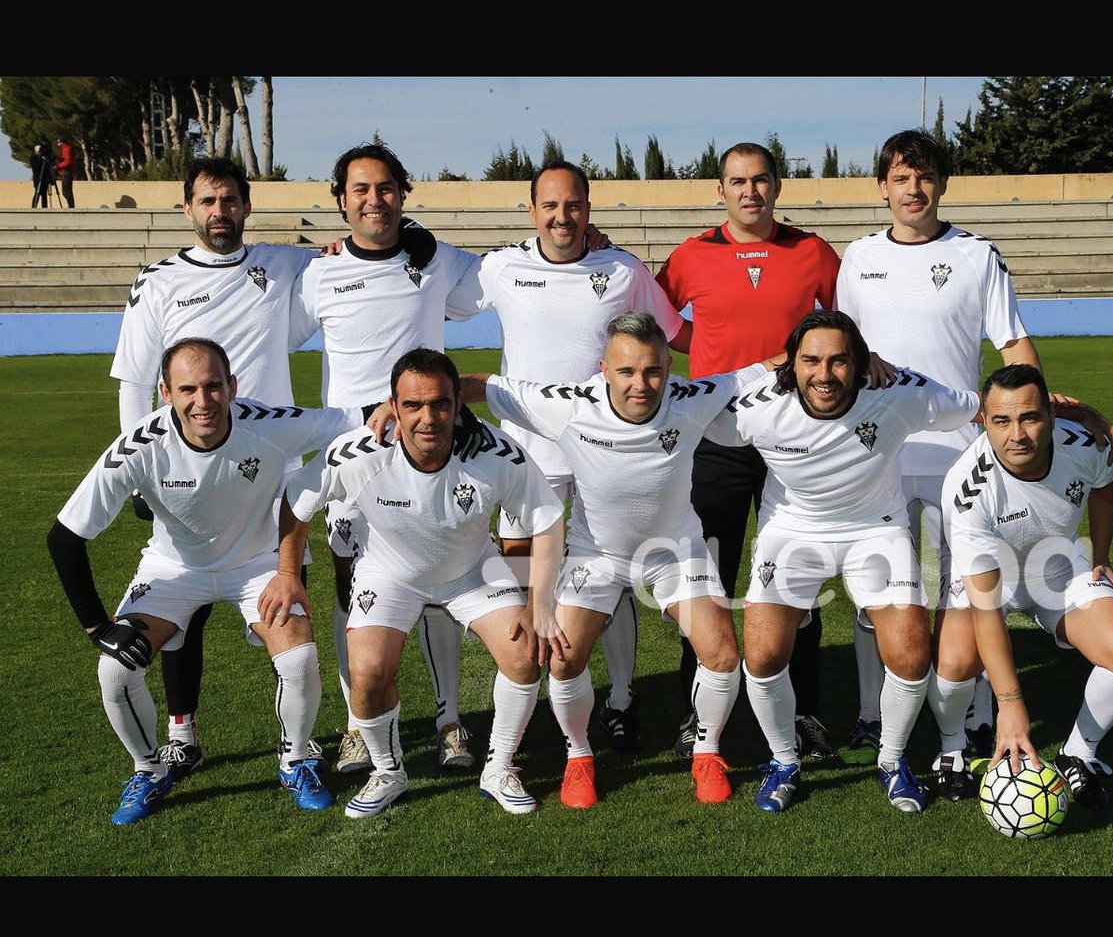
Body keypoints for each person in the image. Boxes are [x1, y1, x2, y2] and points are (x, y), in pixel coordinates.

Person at [837, 129, 1113, 790]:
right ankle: (871, 714)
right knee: (876, 595)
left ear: (942, 184)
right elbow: (841, 347)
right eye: (901, 178)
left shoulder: (974, 255)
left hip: (959, 458)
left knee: (959, 596)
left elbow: (1012, 339)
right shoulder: (857, 257)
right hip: (875, 458)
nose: (913, 188)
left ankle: (979, 717)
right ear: (883, 187)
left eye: (925, 176)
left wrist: (1040, 404)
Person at [46, 339, 364, 824]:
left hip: (258, 566)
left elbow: (356, 416)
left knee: (299, 656)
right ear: (165, 392)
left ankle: (296, 760)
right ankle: (148, 770)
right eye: (188, 389)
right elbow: (64, 537)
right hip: (172, 570)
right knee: (114, 670)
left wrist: (448, 402)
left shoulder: (270, 425)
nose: (203, 401)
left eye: (214, 386)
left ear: (232, 386)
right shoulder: (139, 446)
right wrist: (97, 627)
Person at [461, 312, 766, 807]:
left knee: (723, 653)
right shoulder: (569, 406)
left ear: (669, 367)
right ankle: (579, 756)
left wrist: (865, 362)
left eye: (652, 371)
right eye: (626, 372)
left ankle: (707, 752)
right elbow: (481, 384)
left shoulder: (694, 396)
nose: (641, 384)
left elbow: (771, 367)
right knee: (561, 659)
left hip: (675, 553)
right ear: (604, 368)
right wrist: (400, 404)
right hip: (595, 556)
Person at [261, 348, 566, 818]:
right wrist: (287, 573)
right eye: (413, 406)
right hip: (390, 574)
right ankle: (388, 771)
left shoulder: (494, 452)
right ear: (393, 406)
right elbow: (298, 500)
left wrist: (538, 601)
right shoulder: (359, 453)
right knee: (366, 673)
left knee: (526, 652)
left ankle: (500, 767)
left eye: (441, 404)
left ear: (458, 403)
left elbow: (546, 522)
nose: (429, 418)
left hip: (472, 571)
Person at [456, 160, 690, 752]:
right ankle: (530, 694)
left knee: (610, 576)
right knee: (520, 582)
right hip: (523, 461)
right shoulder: (501, 268)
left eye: (574, 205)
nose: (563, 217)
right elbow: (435, 285)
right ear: (532, 211)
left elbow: (671, 334)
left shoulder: (622, 269)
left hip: (601, 457)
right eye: (550, 206)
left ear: (589, 208)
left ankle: (620, 699)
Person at [706, 311, 980, 814]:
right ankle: (784, 760)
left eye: (838, 360)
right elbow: (690, 412)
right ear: (792, 363)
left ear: (860, 364)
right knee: (764, 655)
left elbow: (979, 408)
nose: (824, 374)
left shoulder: (900, 392)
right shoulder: (758, 408)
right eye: (810, 360)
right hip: (791, 530)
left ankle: (892, 760)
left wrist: (1064, 411)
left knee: (912, 653)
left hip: (875, 528)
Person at [109, 157, 317, 781]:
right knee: (182, 608)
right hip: (185, 465)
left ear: (247, 205)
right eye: (206, 201)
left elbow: (357, 255)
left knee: (282, 610)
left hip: (266, 466)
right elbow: (136, 381)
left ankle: (296, 750)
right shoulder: (158, 281)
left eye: (229, 200)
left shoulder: (283, 264)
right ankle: (182, 733)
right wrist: (139, 465)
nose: (219, 211)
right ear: (187, 209)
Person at [290, 143, 495, 775]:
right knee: (352, 588)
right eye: (360, 189)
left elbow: (515, 279)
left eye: (385, 188)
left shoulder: (439, 262)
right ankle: (359, 725)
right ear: (340, 199)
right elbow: (272, 339)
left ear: (403, 194)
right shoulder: (316, 276)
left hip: (431, 450)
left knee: (438, 584)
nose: (373, 200)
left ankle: (451, 721)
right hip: (353, 463)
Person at [655, 142, 840, 760]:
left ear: (777, 187)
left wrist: (797, 362)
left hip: (795, 439)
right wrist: (707, 357)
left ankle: (806, 712)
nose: (750, 192)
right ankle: (696, 714)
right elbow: (659, 321)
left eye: (761, 181)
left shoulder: (810, 251)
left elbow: (845, 327)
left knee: (798, 578)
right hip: (715, 440)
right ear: (720, 190)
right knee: (706, 578)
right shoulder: (692, 254)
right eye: (738, 182)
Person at [939, 364, 1113, 810]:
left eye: (1029, 417)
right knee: (955, 663)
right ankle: (953, 748)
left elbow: (1107, 483)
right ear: (985, 422)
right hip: (989, 583)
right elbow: (987, 607)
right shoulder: (967, 489)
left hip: (1059, 570)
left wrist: (1101, 554)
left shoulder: (1085, 445)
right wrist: (1010, 704)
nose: (1017, 434)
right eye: (1001, 421)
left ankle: (1079, 753)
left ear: (1051, 417)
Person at [30, 142, 54, 208]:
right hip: (38, 179)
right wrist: (42, 161)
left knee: (44, 195)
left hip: (45, 179)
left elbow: (47, 168)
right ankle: (34, 207)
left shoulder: (43, 158)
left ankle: (44, 208)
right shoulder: (33, 157)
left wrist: (51, 179)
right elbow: (35, 167)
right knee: (37, 193)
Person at [56, 136, 76, 208]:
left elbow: (68, 161)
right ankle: (71, 205)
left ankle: (71, 206)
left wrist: (58, 166)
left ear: (61, 142)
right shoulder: (64, 149)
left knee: (66, 191)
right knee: (66, 191)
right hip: (65, 172)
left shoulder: (67, 149)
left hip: (67, 172)